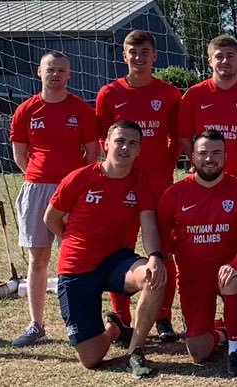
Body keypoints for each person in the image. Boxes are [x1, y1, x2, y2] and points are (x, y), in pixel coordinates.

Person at [43, 121, 166, 377]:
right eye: (120, 141)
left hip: (117, 262)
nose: (125, 147)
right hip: (77, 267)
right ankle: (115, 330)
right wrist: (72, 243)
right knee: (91, 358)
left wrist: (155, 257)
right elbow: (51, 218)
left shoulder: (142, 182)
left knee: (154, 276)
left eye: (132, 143)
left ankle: (135, 351)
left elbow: (150, 227)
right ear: (105, 144)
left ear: (139, 150)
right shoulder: (79, 178)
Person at [177, 35, 237, 337]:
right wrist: (200, 165)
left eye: (230, 56)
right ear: (210, 60)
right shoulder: (194, 95)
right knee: (201, 244)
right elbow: (184, 138)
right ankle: (195, 312)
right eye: (219, 56)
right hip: (203, 187)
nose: (225, 61)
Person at [95, 29, 183, 343]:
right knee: (118, 250)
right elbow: (102, 140)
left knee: (163, 251)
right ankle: (123, 317)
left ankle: (163, 317)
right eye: (133, 51)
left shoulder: (170, 94)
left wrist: (165, 169)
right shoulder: (109, 93)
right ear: (124, 55)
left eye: (145, 51)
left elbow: (178, 140)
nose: (139, 57)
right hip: (120, 185)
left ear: (154, 56)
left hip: (158, 186)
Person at [9, 50, 100, 347]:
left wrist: (72, 184)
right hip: (36, 189)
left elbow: (92, 153)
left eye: (61, 70)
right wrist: (41, 177)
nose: (56, 74)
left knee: (76, 259)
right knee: (39, 258)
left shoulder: (81, 109)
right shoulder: (26, 110)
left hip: (72, 192)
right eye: (50, 69)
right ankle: (36, 324)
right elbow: (20, 156)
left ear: (69, 75)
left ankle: (82, 322)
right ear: (39, 72)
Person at [156, 129, 237, 377]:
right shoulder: (174, 194)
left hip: (228, 271)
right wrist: (171, 251)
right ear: (192, 157)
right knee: (198, 353)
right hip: (194, 277)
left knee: (232, 279)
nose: (209, 158)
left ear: (226, 155)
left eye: (216, 153)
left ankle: (235, 351)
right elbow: (162, 232)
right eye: (202, 153)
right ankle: (222, 331)